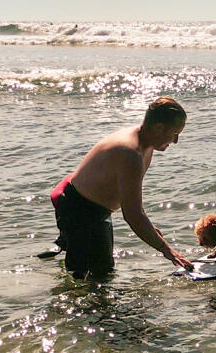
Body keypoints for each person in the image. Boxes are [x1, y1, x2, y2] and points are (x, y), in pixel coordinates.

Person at [47, 96, 195, 280]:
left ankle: (66, 247)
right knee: (83, 279)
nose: (176, 141)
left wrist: (150, 228)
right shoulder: (130, 153)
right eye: (174, 133)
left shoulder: (146, 144)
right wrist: (167, 250)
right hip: (77, 208)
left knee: (103, 272)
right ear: (159, 128)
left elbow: (131, 202)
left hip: (98, 210)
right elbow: (132, 215)